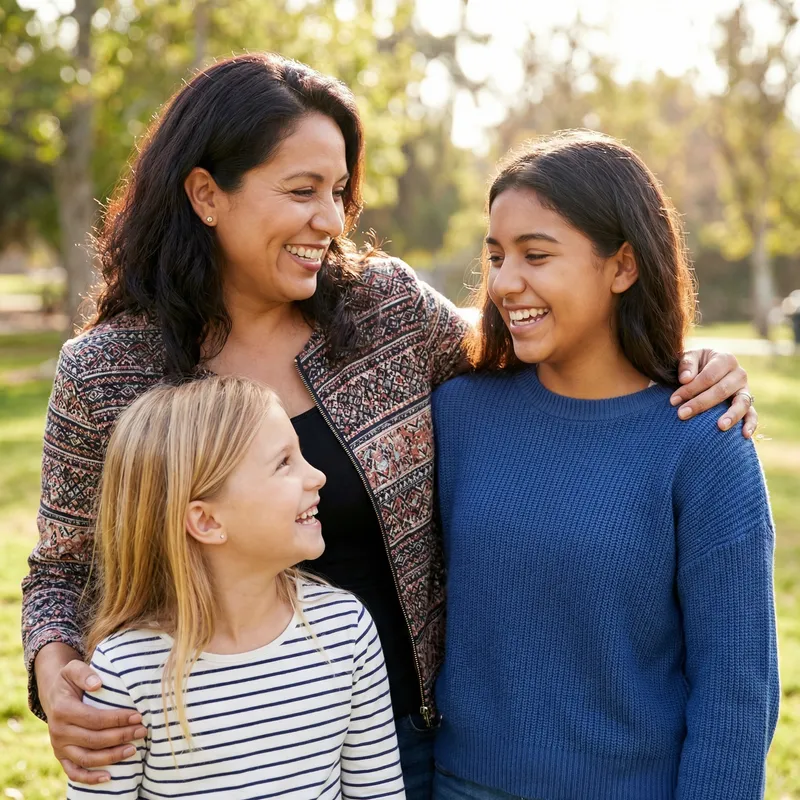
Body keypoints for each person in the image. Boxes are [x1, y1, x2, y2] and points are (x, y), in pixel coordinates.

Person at [22, 53, 756, 799]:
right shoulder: (108, 371)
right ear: (207, 195)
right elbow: (60, 570)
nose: (331, 220)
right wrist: (56, 672)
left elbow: (536, 337)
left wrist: (679, 358)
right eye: (302, 190)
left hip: (395, 740)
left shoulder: (384, 313)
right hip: (197, 749)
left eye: (339, 191)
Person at [431, 131, 779, 800]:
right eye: (496, 256)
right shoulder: (457, 416)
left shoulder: (704, 443)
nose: (505, 282)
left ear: (622, 267)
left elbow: (737, 694)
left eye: (536, 254)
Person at [66, 375, 404, 798]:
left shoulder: (346, 630)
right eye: (284, 462)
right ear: (206, 521)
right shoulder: (124, 673)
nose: (316, 475)